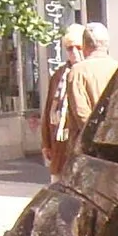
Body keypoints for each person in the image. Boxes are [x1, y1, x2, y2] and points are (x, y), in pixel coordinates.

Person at [63, 22, 118, 151]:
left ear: (85, 45)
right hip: (115, 140)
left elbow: (81, 112)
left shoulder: (77, 71)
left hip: (87, 145)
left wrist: (94, 137)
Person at [39, 23, 84, 178]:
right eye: (70, 48)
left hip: (80, 146)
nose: (75, 53)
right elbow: (48, 110)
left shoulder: (88, 72)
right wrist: (46, 143)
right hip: (60, 145)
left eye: (79, 47)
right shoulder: (59, 75)